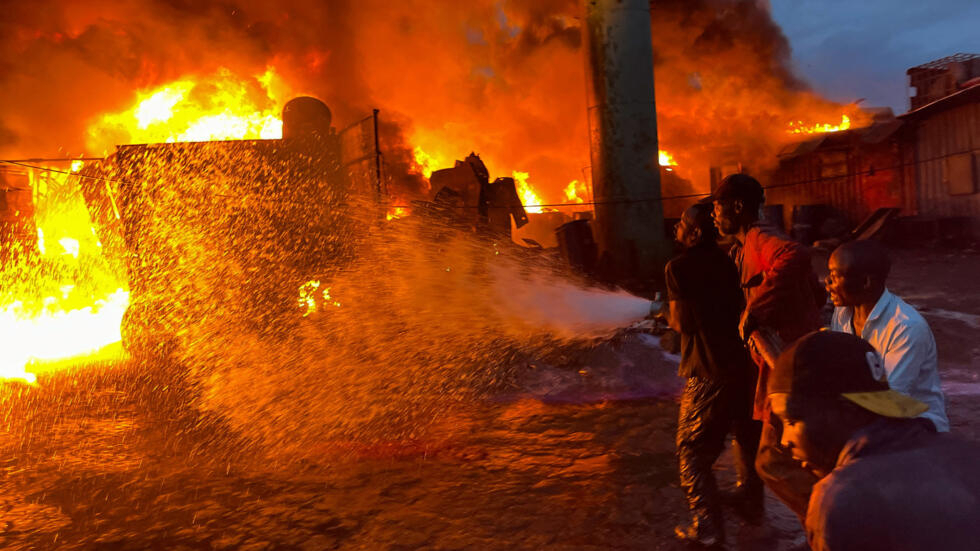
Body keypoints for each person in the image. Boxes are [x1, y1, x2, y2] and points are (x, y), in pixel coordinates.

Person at [766, 330, 980, 551]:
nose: (784, 441)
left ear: (846, 412)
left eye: (791, 421)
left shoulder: (842, 496)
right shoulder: (969, 454)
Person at [711, 173, 826, 519]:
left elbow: (795, 257)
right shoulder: (743, 246)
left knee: (774, 459)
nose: (714, 216)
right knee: (796, 451)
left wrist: (756, 310)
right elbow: (814, 291)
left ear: (737, 206)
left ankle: (830, 521)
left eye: (717, 208)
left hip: (788, 363)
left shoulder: (762, 236)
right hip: (784, 360)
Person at [665, 202, 762, 547]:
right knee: (744, 437)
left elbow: (683, 323)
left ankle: (707, 530)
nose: (675, 228)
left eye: (680, 224)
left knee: (691, 449)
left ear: (693, 233)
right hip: (743, 365)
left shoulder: (677, 268)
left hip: (708, 371)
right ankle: (752, 503)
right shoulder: (726, 259)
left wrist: (664, 313)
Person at [825, 239, 949, 432]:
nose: (827, 283)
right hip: (866, 407)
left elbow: (890, 400)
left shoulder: (906, 327)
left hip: (914, 420)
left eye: (834, 276)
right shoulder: (842, 314)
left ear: (866, 282)